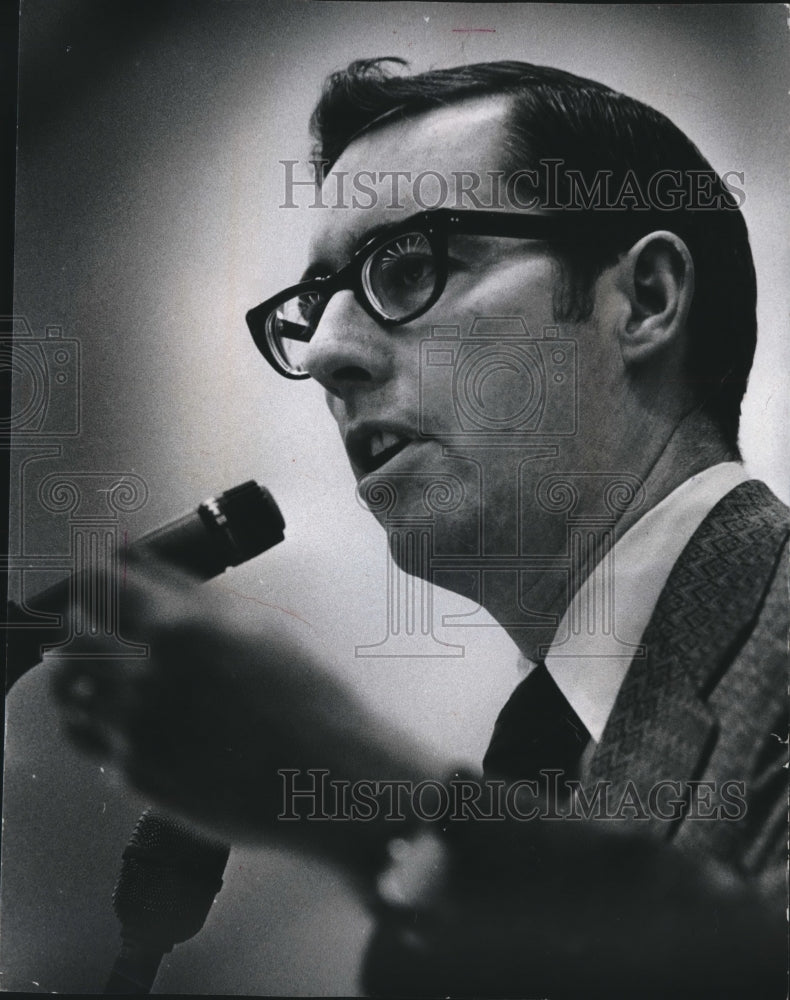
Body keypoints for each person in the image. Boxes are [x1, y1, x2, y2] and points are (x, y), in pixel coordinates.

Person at [52, 59, 788, 997]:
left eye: (406, 265)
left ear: (642, 299)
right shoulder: (540, 763)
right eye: (312, 306)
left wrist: (369, 801)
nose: (324, 354)